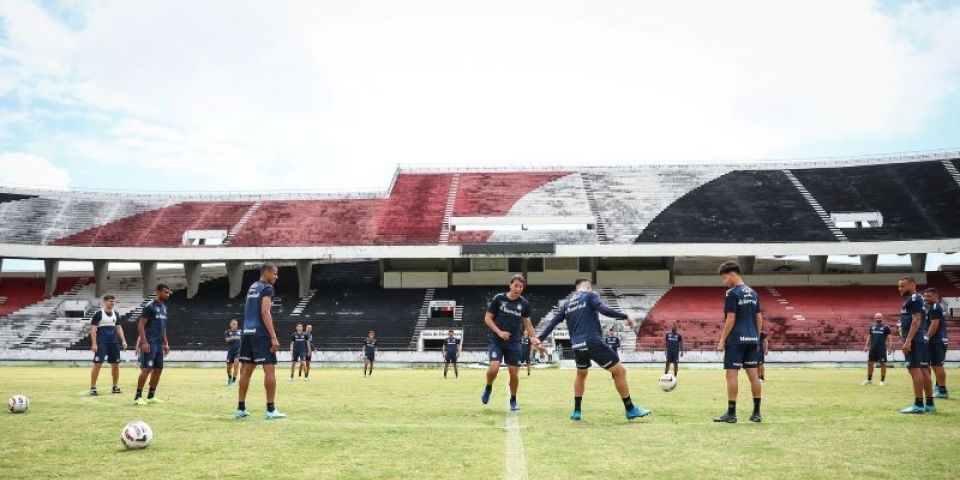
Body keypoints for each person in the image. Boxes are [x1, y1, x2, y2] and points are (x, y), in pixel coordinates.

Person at [537, 278, 649, 421]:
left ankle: (577, 411)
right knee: (620, 371)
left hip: (577, 345)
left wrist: (540, 338)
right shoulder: (590, 295)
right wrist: (625, 316)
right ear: (588, 286)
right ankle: (630, 409)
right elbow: (603, 309)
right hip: (592, 341)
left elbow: (553, 322)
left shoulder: (567, 303)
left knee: (581, 374)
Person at [713, 261, 763, 424]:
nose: (724, 281)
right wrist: (756, 337)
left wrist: (722, 340)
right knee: (754, 376)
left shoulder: (731, 293)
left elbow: (731, 318)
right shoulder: (753, 293)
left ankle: (731, 413)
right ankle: (756, 413)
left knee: (731, 375)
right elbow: (759, 317)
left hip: (736, 340)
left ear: (732, 274)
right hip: (752, 339)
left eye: (724, 277)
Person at [482, 275, 539, 411]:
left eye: (521, 287)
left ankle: (513, 399)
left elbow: (528, 324)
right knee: (494, 368)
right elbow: (487, 319)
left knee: (514, 373)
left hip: (514, 342)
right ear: (510, 285)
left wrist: (535, 339)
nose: (518, 289)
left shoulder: (524, 304)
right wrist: (500, 332)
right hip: (497, 339)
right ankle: (488, 387)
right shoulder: (499, 299)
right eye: (516, 286)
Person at [236, 264, 286, 419]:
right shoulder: (267, 288)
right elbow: (265, 312)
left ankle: (240, 408)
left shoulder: (252, 287)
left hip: (248, 333)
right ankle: (271, 410)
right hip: (261, 334)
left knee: (246, 371)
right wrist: (273, 336)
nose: (276, 277)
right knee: (269, 370)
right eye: (275, 274)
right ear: (266, 272)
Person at [898, 276, 932, 414]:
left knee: (914, 369)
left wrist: (907, 340)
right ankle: (929, 403)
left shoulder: (914, 299)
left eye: (903, 286)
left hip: (914, 339)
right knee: (923, 369)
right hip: (919, 338)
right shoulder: (916, 299)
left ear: (912, 285)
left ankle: (918, 404)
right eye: (899, 286)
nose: (900, 289)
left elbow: (916, 320)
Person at [134, 284, 171, 405]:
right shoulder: (149, 306)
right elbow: (141, 325)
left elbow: (163, 327)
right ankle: (138, 397)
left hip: (159, 345)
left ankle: (151, 396)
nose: (167, 294)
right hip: (150, 343)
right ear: (158, 292)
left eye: (168, 292)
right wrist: (144, 342)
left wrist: (165, 343)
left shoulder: (164, 308)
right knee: (147, 369)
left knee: (159, 369)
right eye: (165, 292)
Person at [89, 295, 127, 396]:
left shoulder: (116, 314)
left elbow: (118, 328)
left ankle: (115, 387)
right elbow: (93, 329)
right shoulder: (98, 314)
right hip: (102, 343)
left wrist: (123, 341)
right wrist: (94, 343)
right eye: (111, 301)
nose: (113, 303)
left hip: (114, 343)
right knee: (98, 364)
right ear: (105, 302)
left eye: (114, 301)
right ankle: (93, 388)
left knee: (116, 365)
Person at [924, 288, 949, 399]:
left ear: (935, 296)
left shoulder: (935, 307)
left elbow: (934, 324)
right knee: (936, 365)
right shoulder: (935, 307)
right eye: (925, 296)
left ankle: (942, 391)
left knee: (937, 365)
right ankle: (939, 387)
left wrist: (926, 338)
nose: (926, 298)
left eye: (928, 296)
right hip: (938, 339)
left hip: (936, 340)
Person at [862, 313, 891, 386]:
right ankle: (869, 380)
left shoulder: (886, 327)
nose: (878, 319)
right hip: (873, 348)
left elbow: (890, 338)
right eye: (877, 318)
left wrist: (890, 348)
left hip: (882, 349)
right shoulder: (872, 326)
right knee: (870, 363)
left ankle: (882, 381)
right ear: (874, 318)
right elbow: (869, 337)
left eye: (879, 318)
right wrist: (866, 346)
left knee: (883, 364)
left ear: (882, 318)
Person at [224, 318, 241, 385]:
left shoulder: (240, 332)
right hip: (230, 352)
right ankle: (230, 378)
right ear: (230, 324)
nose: (235, 325)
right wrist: (233, 338)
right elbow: (226, 340)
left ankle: (234, 381)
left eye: (236, 324)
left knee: (236, 365)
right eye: (233, 324)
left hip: (238, 351)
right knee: (228, 368)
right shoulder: (227, 332)